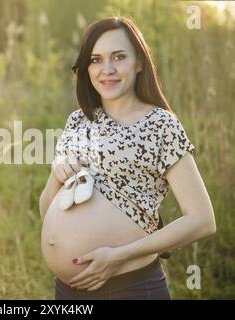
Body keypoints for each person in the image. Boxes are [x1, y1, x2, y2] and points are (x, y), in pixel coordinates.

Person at [38, 16, 216, 300]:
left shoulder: (160, 125)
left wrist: (117, 257)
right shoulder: (77, 121)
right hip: (69, 292)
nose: (106, 69)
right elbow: (47, 211)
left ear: (140, 62)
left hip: (128, 287)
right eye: (95, 59)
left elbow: (202, 219)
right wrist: (55, 175)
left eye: (118, 57)